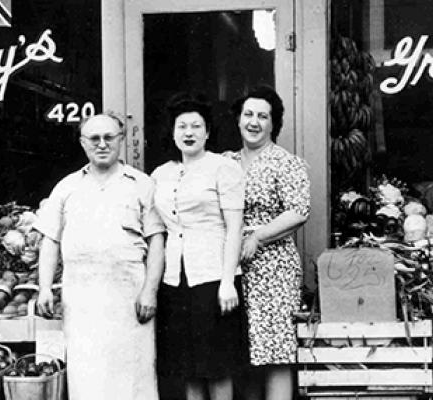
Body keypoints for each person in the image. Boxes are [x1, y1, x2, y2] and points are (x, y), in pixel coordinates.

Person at [34, 113, 165, 400]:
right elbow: (50, 241)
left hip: (129, 301)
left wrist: (150, 291)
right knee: (87, 380)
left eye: (109, 137)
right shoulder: (66, 187)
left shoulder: (141, 184)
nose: (102, 144)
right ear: (83, 143)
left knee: (133, 381)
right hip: (82, 302)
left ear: (121, 141)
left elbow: (157, 242)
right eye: (94, 138)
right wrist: (44, 288)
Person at [151, 93, 247, 400]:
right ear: (173, 131)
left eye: (196, 126)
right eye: (182, 126)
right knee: (186, 367)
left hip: (213, 278)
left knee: (216, 365)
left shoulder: (223, 168)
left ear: (207, 132)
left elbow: (235, 229)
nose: (188, 132)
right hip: (174, 281)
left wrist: (228, 281)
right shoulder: (160, 174)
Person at [225, 86, 311, 400]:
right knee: (244, 352)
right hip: (232, 269)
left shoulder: (286, 162)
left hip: (274, 269)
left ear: (274, 124)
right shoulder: (226, 162)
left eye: (263, 116)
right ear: (238, 120)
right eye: (248, 114)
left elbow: (298, 211)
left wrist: (257, 237)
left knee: (274, 352)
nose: (254, 122)